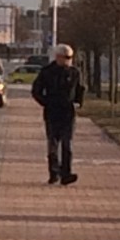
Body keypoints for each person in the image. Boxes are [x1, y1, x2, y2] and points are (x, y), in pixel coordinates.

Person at [31, 44, 84, 186]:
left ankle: (66, 173)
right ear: (58, 57)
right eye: (66, 57)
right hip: (52, 112)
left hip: (68, 112)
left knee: (67, 144)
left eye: (70, 58)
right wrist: (46, 102)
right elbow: (36, 90)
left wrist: (78, 102)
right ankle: (54, 172)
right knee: (53, 144)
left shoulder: (74, 72)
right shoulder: (47, 72)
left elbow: (80, 89)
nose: (69, 60)